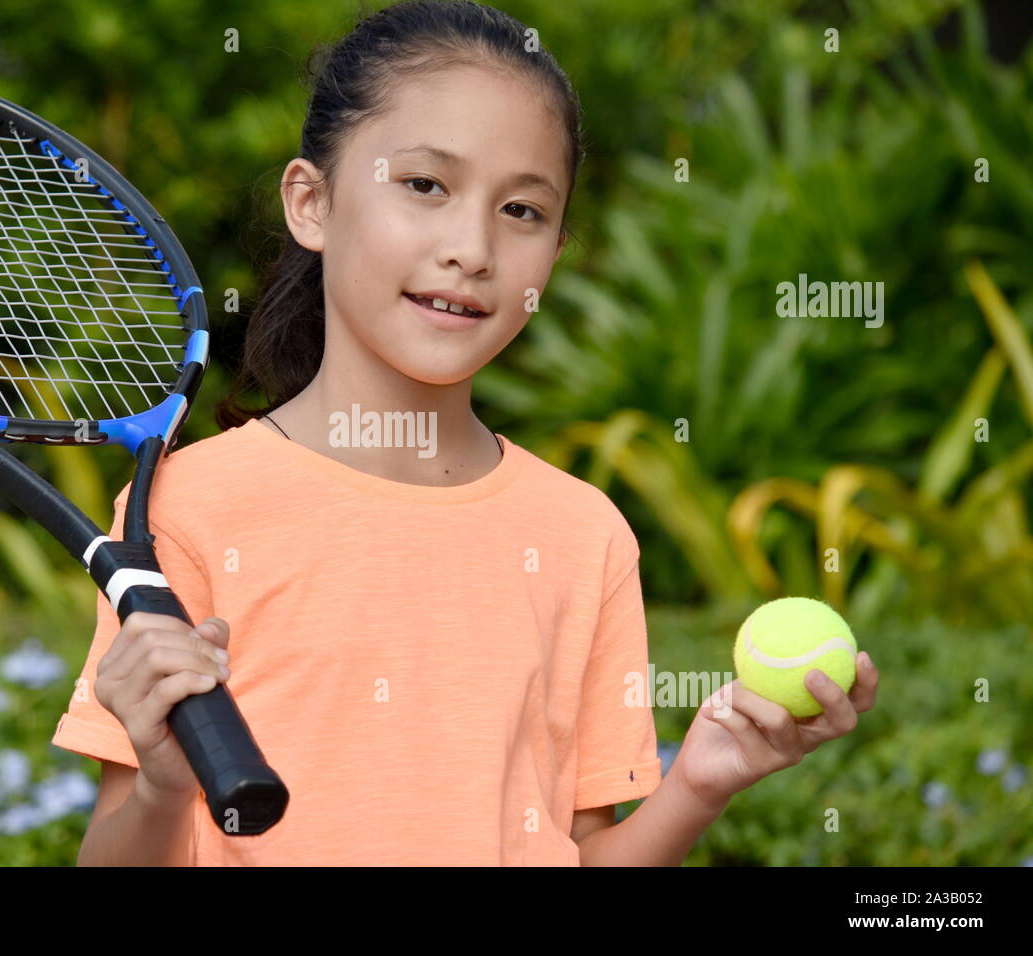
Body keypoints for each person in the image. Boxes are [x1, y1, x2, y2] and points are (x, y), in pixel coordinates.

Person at [53, 0, 879, 866]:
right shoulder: (187, 511)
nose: (472, 247)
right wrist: (161, 784)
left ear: (556, 253)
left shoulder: (583, 535)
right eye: (424, 186)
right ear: (312, 203)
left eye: (523, 211)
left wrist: (702, 782)